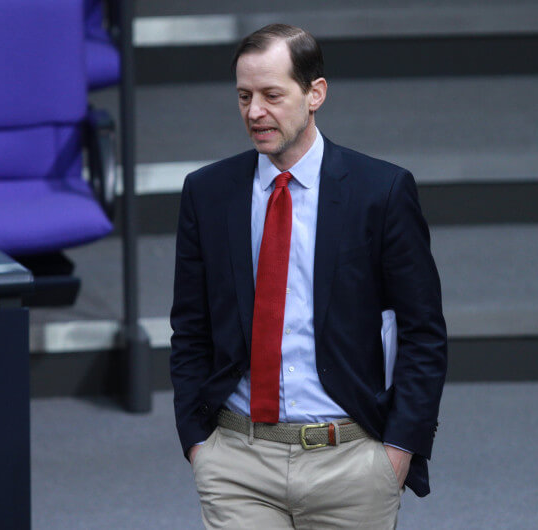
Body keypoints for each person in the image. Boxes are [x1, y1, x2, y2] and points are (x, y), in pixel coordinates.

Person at [170, 23, 448, 529]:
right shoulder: (207, 193)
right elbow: (190, 326)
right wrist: (198, 443)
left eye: (272, 95)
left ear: (315, 93)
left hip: (351, 462)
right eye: (244, 96)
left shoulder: (380, 192)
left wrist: (399, 450)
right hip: (237, 461)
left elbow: (423, 331)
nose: (255, 112)